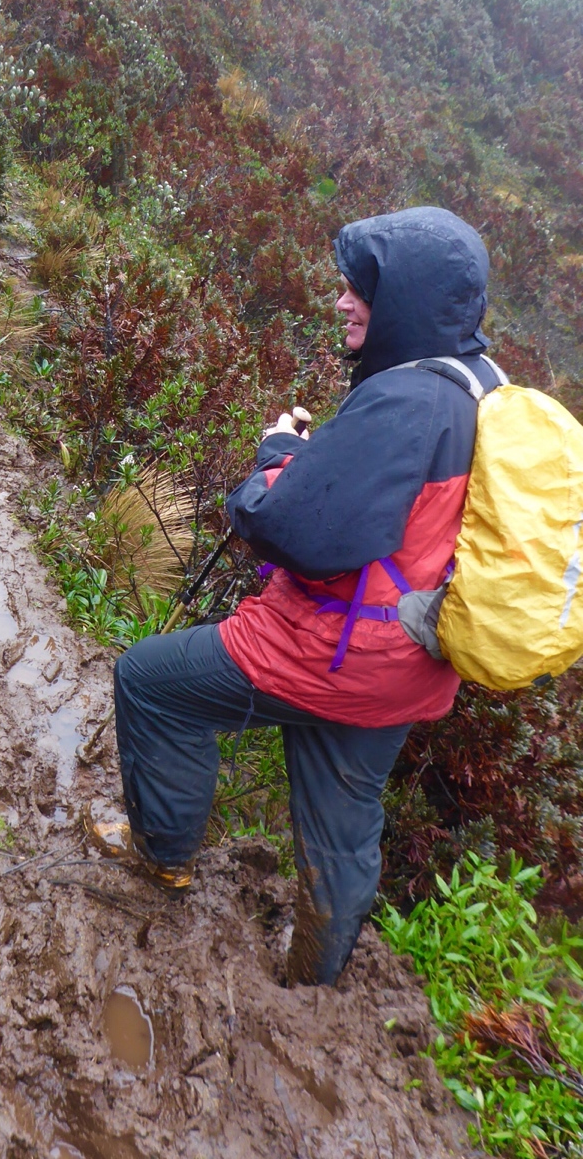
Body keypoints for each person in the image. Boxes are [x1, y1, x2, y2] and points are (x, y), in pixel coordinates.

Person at [93, 206, 502, 985]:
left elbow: (289, 532)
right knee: (345, 824)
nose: (343, 303)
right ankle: (315, 983)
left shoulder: (405, 402)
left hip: (331, 648)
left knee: (150, 682)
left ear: (409, 302)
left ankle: (161, 857)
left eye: (362, 293)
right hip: (414, 659)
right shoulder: (483, 388)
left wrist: (277, 456)